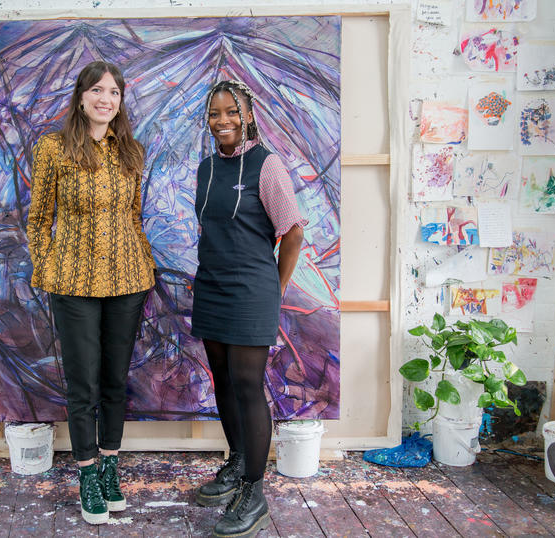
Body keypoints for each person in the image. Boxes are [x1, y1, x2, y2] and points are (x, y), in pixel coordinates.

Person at [26, 61, 155, 525]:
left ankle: (110, 467)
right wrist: (48, 267)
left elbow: (135, 218)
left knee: (116, 382)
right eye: (97, 90)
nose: (106, 99)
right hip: (73, 283)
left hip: (128, 281)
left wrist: (147, 266)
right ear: (81, 97)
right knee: (83, 384)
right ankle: (86, 474)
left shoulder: (131, 153)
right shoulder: (54, 149)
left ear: (120, 102)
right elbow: (38, 219)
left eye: (114, 93)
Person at [192, 80, 305, 538]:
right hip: (213, 286)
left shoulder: (267, 165)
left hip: (252, 289)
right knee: (222, 378)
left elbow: (293, 232)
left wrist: (273, 291)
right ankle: (237, 463)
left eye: (231, 112)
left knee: (247, 383)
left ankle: (254, 493)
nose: (223, 121)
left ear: (248, 114)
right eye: (215, 114)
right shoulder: (205, 168)